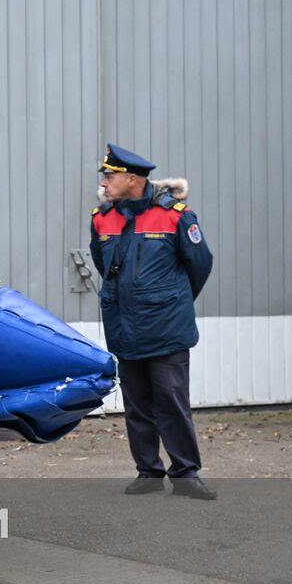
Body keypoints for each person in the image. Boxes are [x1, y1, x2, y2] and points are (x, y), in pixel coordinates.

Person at [90, 144, 215, 500]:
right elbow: (104, 266)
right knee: (137, 405)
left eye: (110, 176)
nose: (104, 183)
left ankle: (186, 474)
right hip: (124, 327)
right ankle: (148, 471)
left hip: (166, 328)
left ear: (132, 178)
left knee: (171, 401)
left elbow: (200, 265)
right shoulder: (101, 219)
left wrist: (169, 302)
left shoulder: (176, 216)